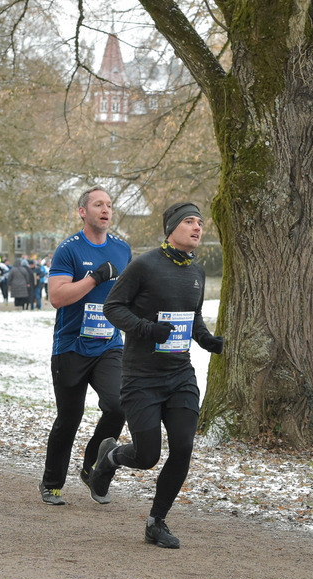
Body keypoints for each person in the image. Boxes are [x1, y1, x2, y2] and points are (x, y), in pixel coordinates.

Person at [90, 202, 223, 548]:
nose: (197, 228)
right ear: (172, 228)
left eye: (200, 223)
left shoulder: (197, 272)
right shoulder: (144, 266)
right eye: (190, 222)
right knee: (147, 456)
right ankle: (110, 457)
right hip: (141, 377)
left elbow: (192, 319)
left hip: (180, 375)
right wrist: (148, 329)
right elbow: (112, 308)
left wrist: (208, 340)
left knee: (183, 447)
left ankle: (156, 522)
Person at [38, 185, 131, 505]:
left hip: (109, 344)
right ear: (83, 212)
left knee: (119, 405)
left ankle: (93, 465)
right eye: (98, 205)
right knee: (69, 416)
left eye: (109, 205)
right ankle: (51, 482)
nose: (105, 210)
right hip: (71, 345)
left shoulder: (122, 249)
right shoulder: (69, 250)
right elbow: (56, 297)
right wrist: (93, 279)